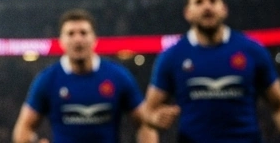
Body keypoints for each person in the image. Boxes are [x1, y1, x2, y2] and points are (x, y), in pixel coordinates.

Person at [139, 0, 280, 143]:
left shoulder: (252, 51)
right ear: (187, 13)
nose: (207, 6)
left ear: (224, 9)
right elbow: (149, 110)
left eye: (213, 1)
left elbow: (279, 104)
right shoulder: (171, 57)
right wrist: (153, 118)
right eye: (199, 2)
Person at [12, 10, 173, 143]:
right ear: (61, 41)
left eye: (83, 33)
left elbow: (144, 123)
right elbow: (23, 128)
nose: (78, 39)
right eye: (71, 33)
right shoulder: (47, 79)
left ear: (94, 39)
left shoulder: (118, 76)